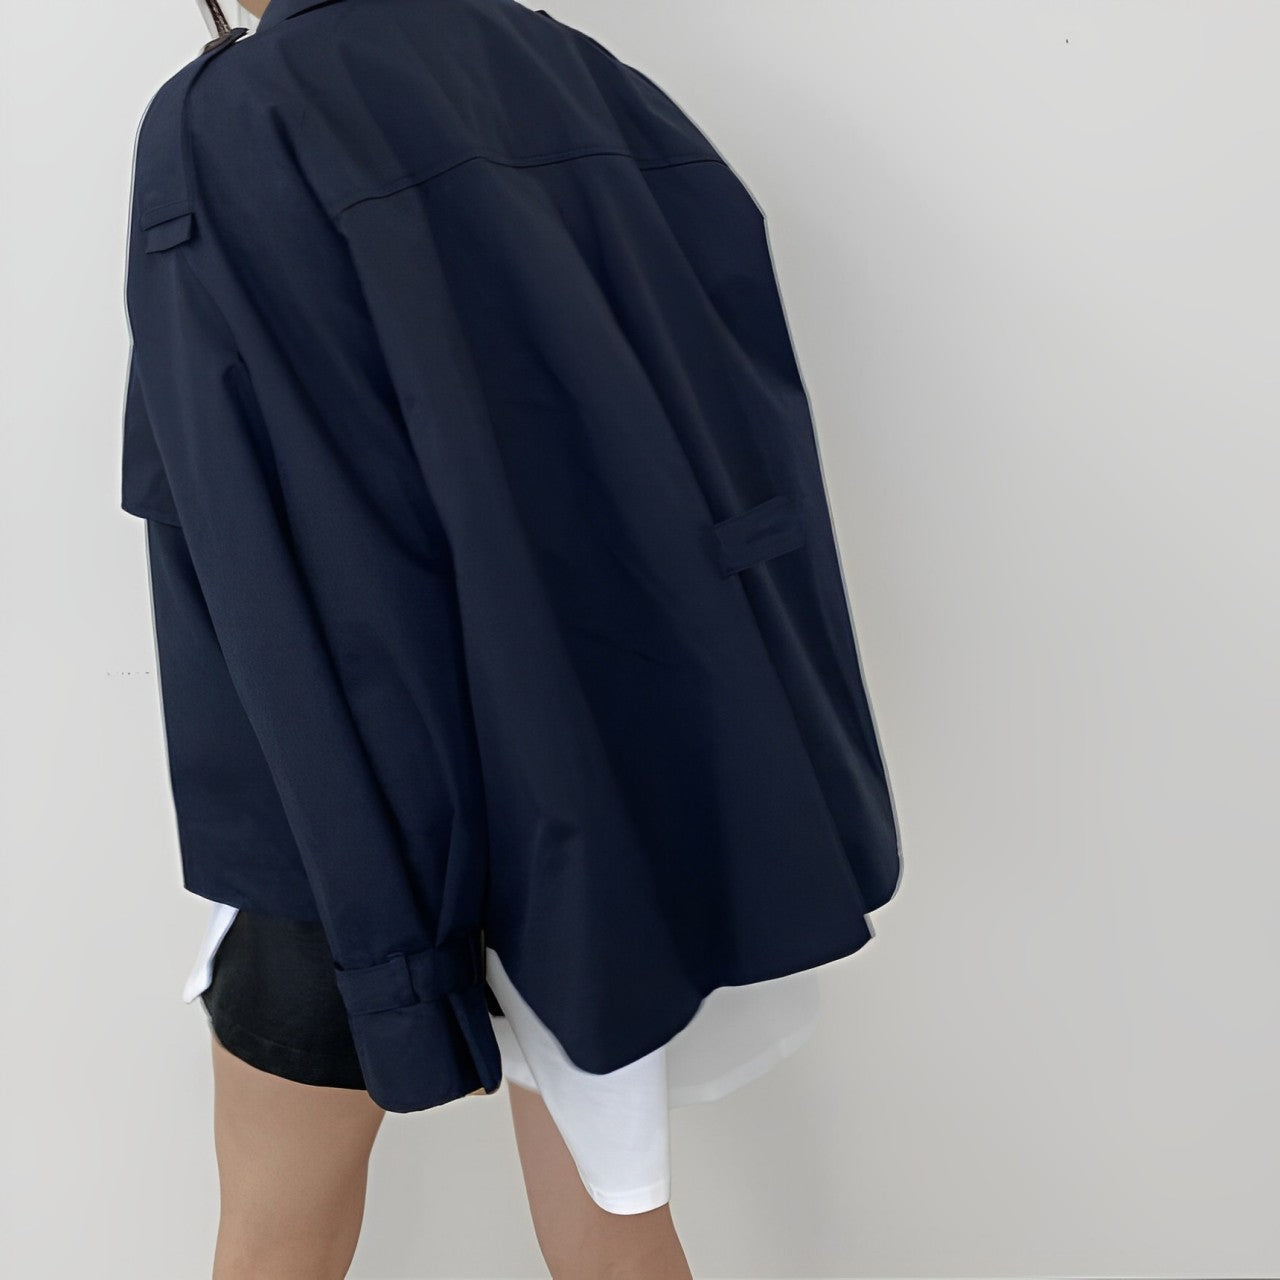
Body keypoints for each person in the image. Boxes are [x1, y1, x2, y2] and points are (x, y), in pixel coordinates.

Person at [122, 1, 902, 1276]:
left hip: (352, 789)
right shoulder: (572, 70)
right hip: (590, 761)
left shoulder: (236, 115)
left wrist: (388, 920)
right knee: (610, 1218)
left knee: (273, 1233)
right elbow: (735, 434)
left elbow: (258, 520)